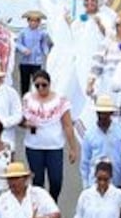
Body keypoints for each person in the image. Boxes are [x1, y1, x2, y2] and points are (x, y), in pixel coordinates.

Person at [21, 69, 78, 200]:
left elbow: (68, 125)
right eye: (37, 85)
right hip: (34, 146)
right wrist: (27, 124)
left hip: (54, 146)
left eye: (44, 85)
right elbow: (21, 120)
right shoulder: (28, 99)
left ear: (49, 84)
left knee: (56, 180)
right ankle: (40, 210)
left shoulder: (60, 100)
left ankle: (52, 204)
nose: (41, 88)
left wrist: (73, 148)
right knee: (38, 182)